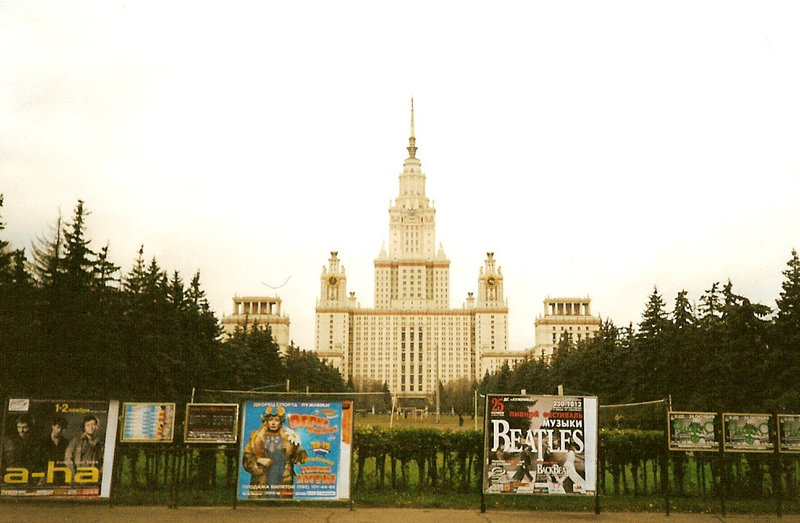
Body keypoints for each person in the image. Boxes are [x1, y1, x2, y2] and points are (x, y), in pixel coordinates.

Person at [242, 406, 307, 498]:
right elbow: (246, 458)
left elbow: (296, 458)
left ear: (281, 422)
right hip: (262, 479)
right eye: (270, 419)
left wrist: (299, 453)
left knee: (282, 509)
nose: (273, 423)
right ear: (266, 421)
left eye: (276, 420)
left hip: (282, 479)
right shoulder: (256, 437)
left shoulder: (288, 437)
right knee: (260, 507)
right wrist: (258, 459)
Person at [64, 415, 104, 480]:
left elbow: (105, 460)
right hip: (78, 477)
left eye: (93, 424)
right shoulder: (76, 440)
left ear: (97, 426)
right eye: (88, 425)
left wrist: (99, 474)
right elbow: (68, 458)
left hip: (94, 477)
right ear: (84, 427)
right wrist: (74, 475)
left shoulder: (101, 442)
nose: (91, 427)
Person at [2, 415, 36, 480]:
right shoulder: (9, 441)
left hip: (30, 476)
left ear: (30, 427)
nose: (21, 430)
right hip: (11, 475)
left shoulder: (36, 442)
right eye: (19, 427)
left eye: (25, 427)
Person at [38, 416, 68, 484]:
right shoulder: (42, 441)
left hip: (60, 475)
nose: (59, 430)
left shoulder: (66, 442)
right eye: (58, 427)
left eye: (62, 428)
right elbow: (38, 459)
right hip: (45, 474)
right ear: (53, 426)